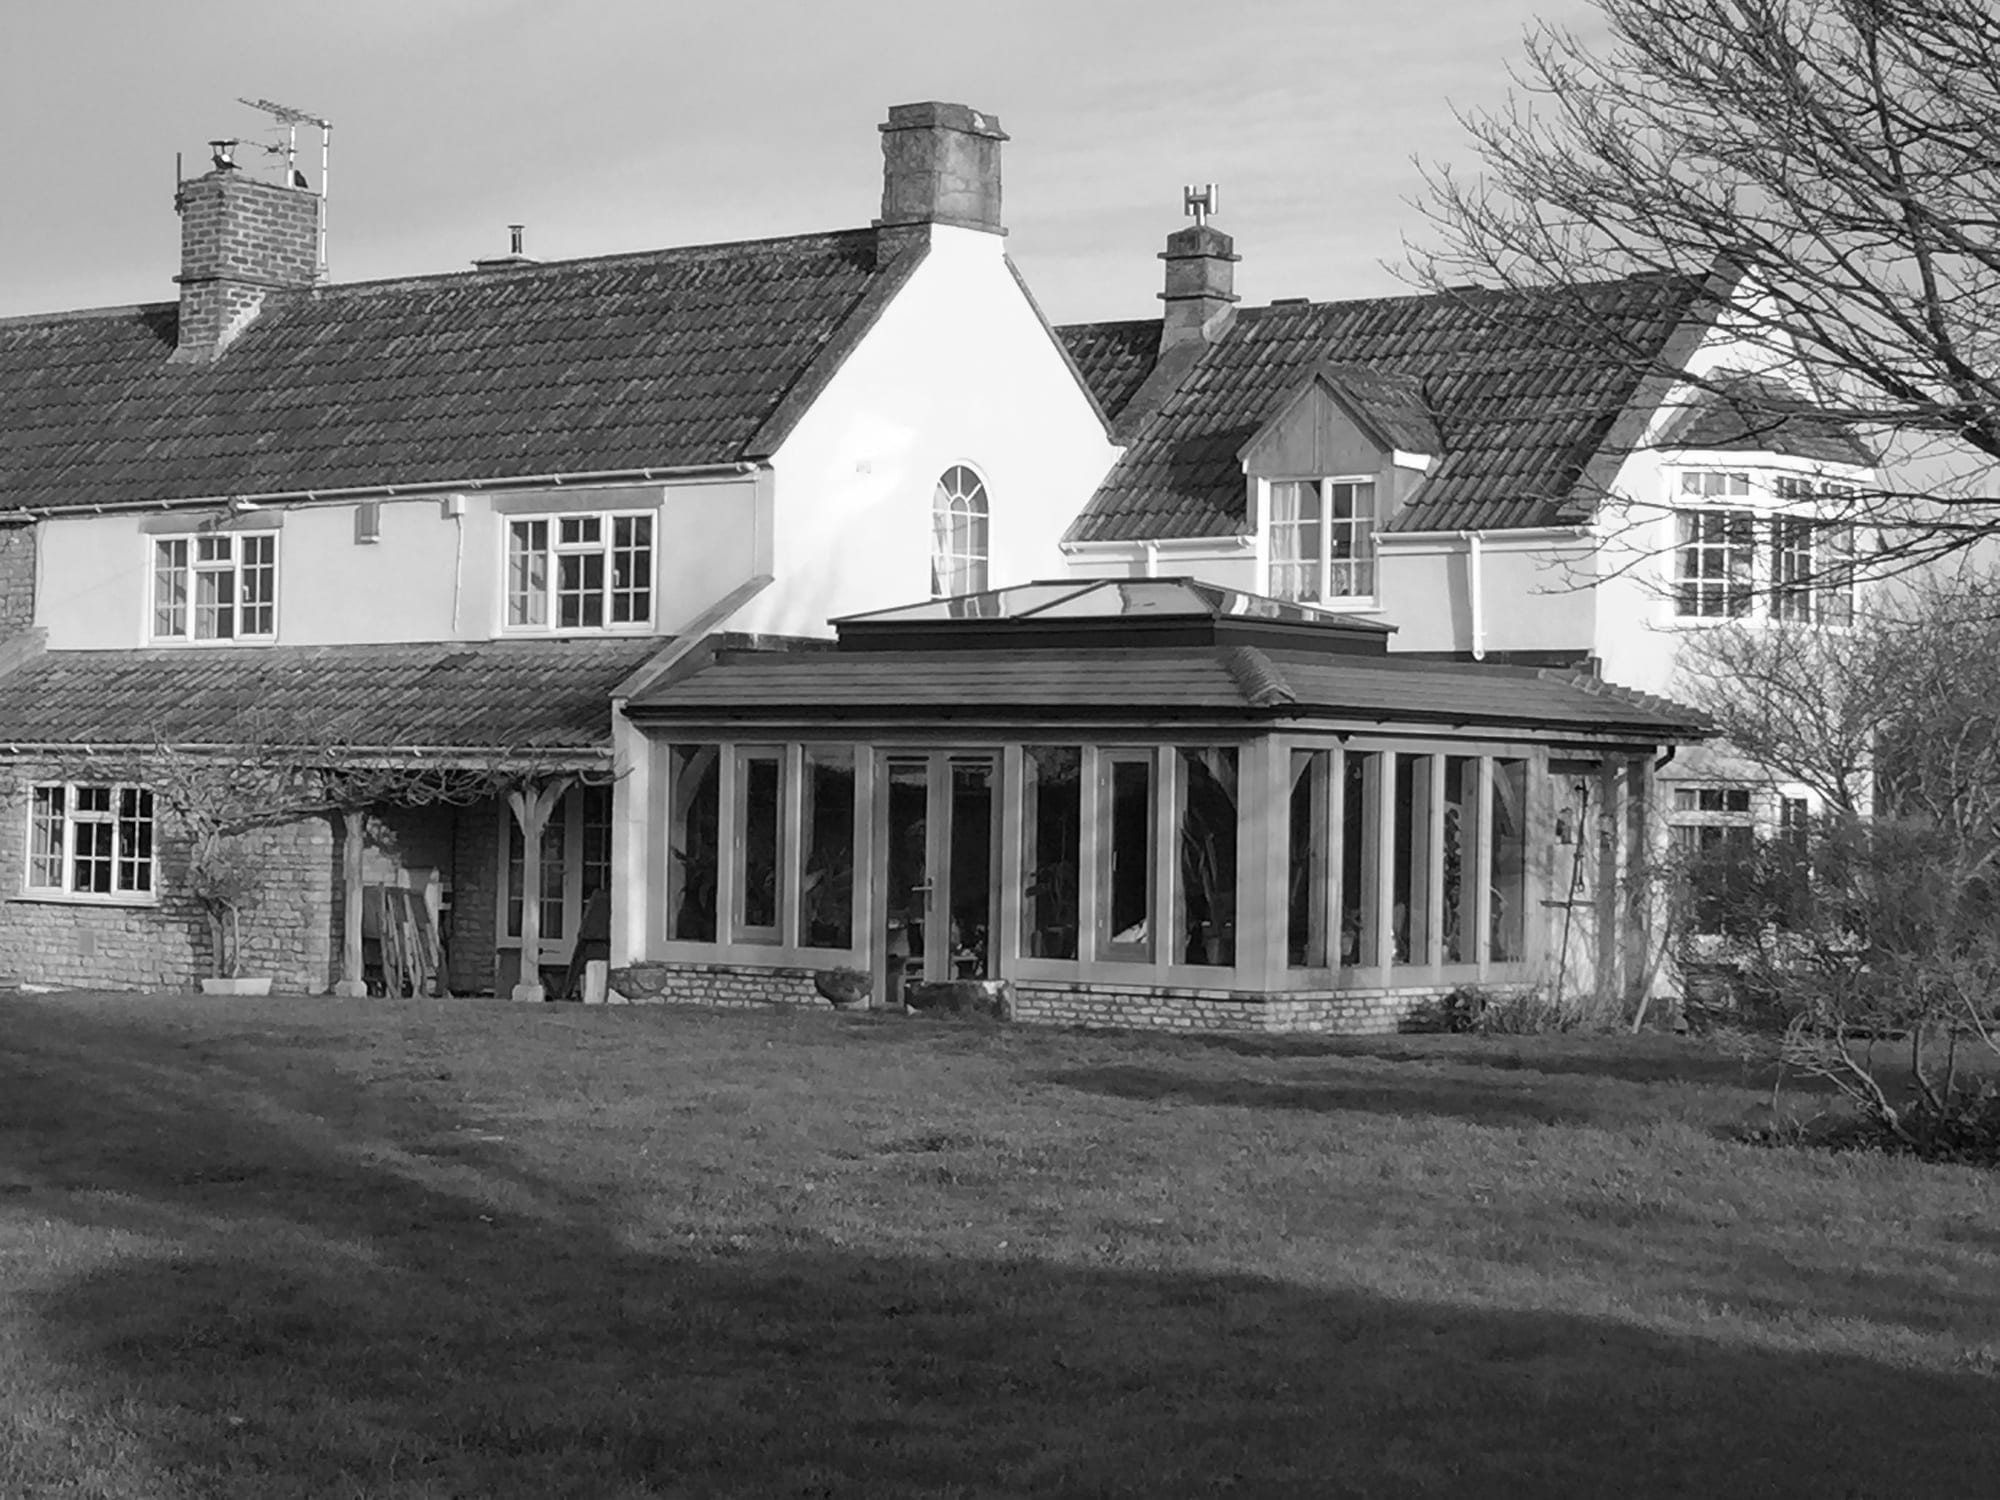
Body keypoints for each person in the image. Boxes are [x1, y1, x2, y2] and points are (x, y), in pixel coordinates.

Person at [562, 885, 612, 1001]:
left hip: (592, 944)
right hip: (599, 946)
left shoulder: (597, 902)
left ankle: (573, 993)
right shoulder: (603, 901)